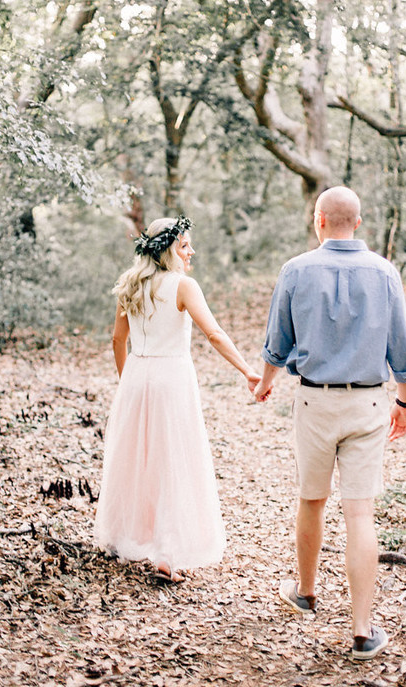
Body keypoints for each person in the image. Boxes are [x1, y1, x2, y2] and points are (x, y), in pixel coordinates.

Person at [253, 186, 406, 661]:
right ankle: (363, 631)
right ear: (359, 223)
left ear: (319, 219)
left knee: (312, 499)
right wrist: (403, 402)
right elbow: (401, 349)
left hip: (313, 402)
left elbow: (276, 344)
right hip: (367, 404)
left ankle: (305, 593)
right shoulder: (385, 272)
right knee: (359, 513)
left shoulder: (296, 270)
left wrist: (265, 384)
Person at [94, 215, 261, 582]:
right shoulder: (184, 286)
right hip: (171, 379)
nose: (191, 251)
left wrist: (128, 382)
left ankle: (126, 537)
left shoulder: (129, 284)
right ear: (170, 249)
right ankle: (167, 554)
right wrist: (248, 371)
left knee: (137, 459)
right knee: (172, 458)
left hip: (137, 376)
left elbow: (117, 341)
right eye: (185, 245)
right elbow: (214, 334)